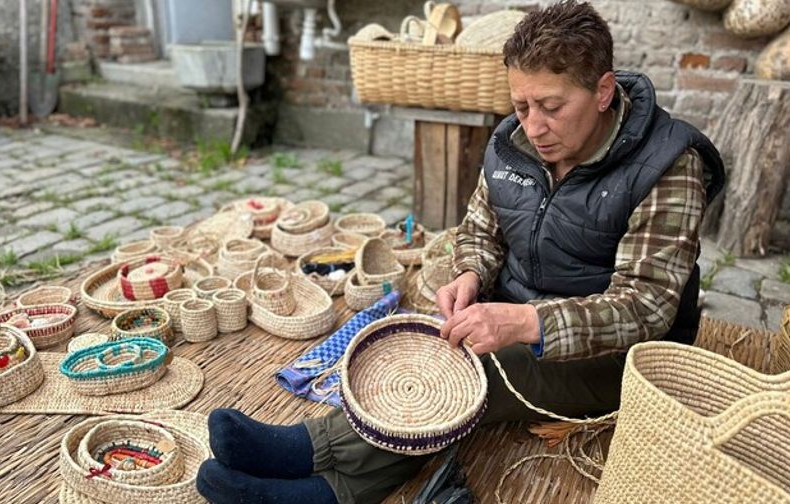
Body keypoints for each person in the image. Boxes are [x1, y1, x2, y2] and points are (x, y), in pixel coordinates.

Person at [195, 2, 725, 503]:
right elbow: (479, 231)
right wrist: (471, 272)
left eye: (552, 106)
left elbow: (647, 306)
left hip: (616, 357)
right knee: (427, 346)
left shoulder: (669, 163)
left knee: (477, 373)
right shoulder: (511, 142)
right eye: (521, 105)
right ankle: (331, 485)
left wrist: (524, 322)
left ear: (604, 90)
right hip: (517, 308)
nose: (534, 126)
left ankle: (320, 458)